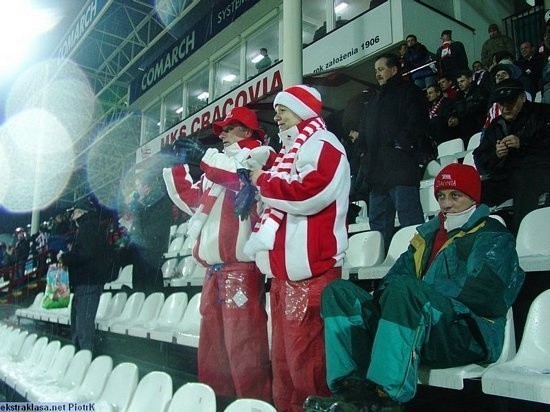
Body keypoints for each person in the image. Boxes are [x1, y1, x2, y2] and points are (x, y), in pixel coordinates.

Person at [304, 163, 525, 412]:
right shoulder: (426, 236)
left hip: (468, 333)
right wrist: (408, 303)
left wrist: (420, 299)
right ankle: (352, 392)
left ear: (473, 197)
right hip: (419, 323)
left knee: (406, 290)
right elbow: (391, 282)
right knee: (338, 292)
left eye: (455, 195)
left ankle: (383, 399)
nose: (446, 203)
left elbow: (486, 296)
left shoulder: (493, 236)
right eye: (441, 196)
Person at [245, 85, 350, 412]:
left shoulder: (323, 144)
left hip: (311, 275)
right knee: (285, 366)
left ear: (303, 111)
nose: (276, 117)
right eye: (276, 111)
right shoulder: (287, 153)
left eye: (283, 111)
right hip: (282, 277)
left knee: (309, 366)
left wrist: (262, 181)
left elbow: (309, 192)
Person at [163, 106, 274, 403]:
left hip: (241, 269)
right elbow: (190, 199)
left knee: (244, 345)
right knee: (213, 346)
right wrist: (177, 164)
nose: (222, 134)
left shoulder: (259, 157)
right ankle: (217, 402)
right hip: (214, 270)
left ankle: (254, 405)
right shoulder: (217, 166)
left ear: (247, 132)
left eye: (228, 128)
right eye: (222, 129)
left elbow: (240, 179)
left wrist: (202, 155)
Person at [359, 53, 427, 251]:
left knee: (410, 221)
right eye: (376, 71)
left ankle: (419, 265)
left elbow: (417, 121)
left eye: (381, 69)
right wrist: (363, 151)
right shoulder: (374, 99)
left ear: (394, 69)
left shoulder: (410, 91)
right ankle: (384, 272)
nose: (378, 74)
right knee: (378, 227)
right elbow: (365, 129)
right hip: (377, 171)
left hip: (400, 167)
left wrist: (401, 144)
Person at [474, 78, 550, 232]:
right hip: (506, 176)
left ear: (522, 98)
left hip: (540, 172)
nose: (505, 107)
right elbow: (480, 159)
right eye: (501, 104)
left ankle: (522, 236)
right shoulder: (495, 125)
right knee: (473, 192)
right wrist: (496, 155)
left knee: (524, 181)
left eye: (510, 102)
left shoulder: (543, 113)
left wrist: (523, 143)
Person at [57, 198, 111, 351]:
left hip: (88, 283)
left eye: (74, 212)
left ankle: (84, 359)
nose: (72, 216)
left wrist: (65, 257)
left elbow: (84, 254)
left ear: (81, 212)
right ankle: (80, 357)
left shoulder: (88, 227)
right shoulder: (88, 226)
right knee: (78, 324)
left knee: (83, 328)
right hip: (85, 283)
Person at [131, 169, 173, 293]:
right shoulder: (143, 204)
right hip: (143, 251)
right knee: (140, 289)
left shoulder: (158, 201)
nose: (136, 189)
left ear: (147, 186)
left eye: (138, 185)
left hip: (152, 250)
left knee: (152, 288)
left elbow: (155, 228)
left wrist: (138, 210)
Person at [448, 70, 489, 144]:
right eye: (458, 82)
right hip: (463, 126)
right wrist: (453, 117)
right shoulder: (458, 96)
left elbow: (476, 108)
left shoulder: (480, 91)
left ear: (470, 80)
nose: (460, 84)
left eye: (462, 81)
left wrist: (459, 118)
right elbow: (454, 109)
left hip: (477, 124)